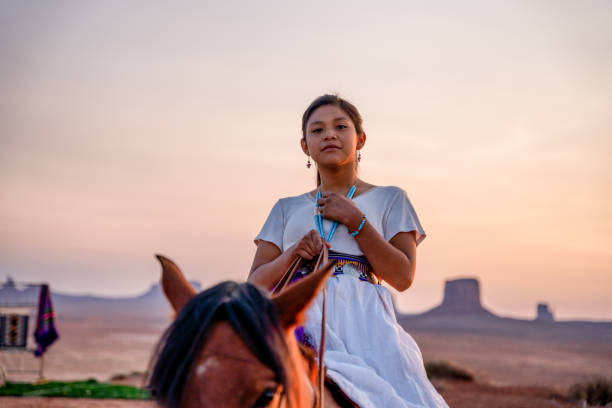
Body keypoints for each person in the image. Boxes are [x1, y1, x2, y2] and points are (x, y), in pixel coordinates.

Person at [248, 94, 449, 407]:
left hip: (366, 324)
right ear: (305, 146)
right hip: (300, 315)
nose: (329, 134)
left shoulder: (391, 199)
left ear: (360, 139)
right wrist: (294, 254)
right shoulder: (285, 208)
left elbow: (402, 276)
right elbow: (254, 284)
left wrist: (356, 220)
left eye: (340, 126)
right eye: (317, 130)